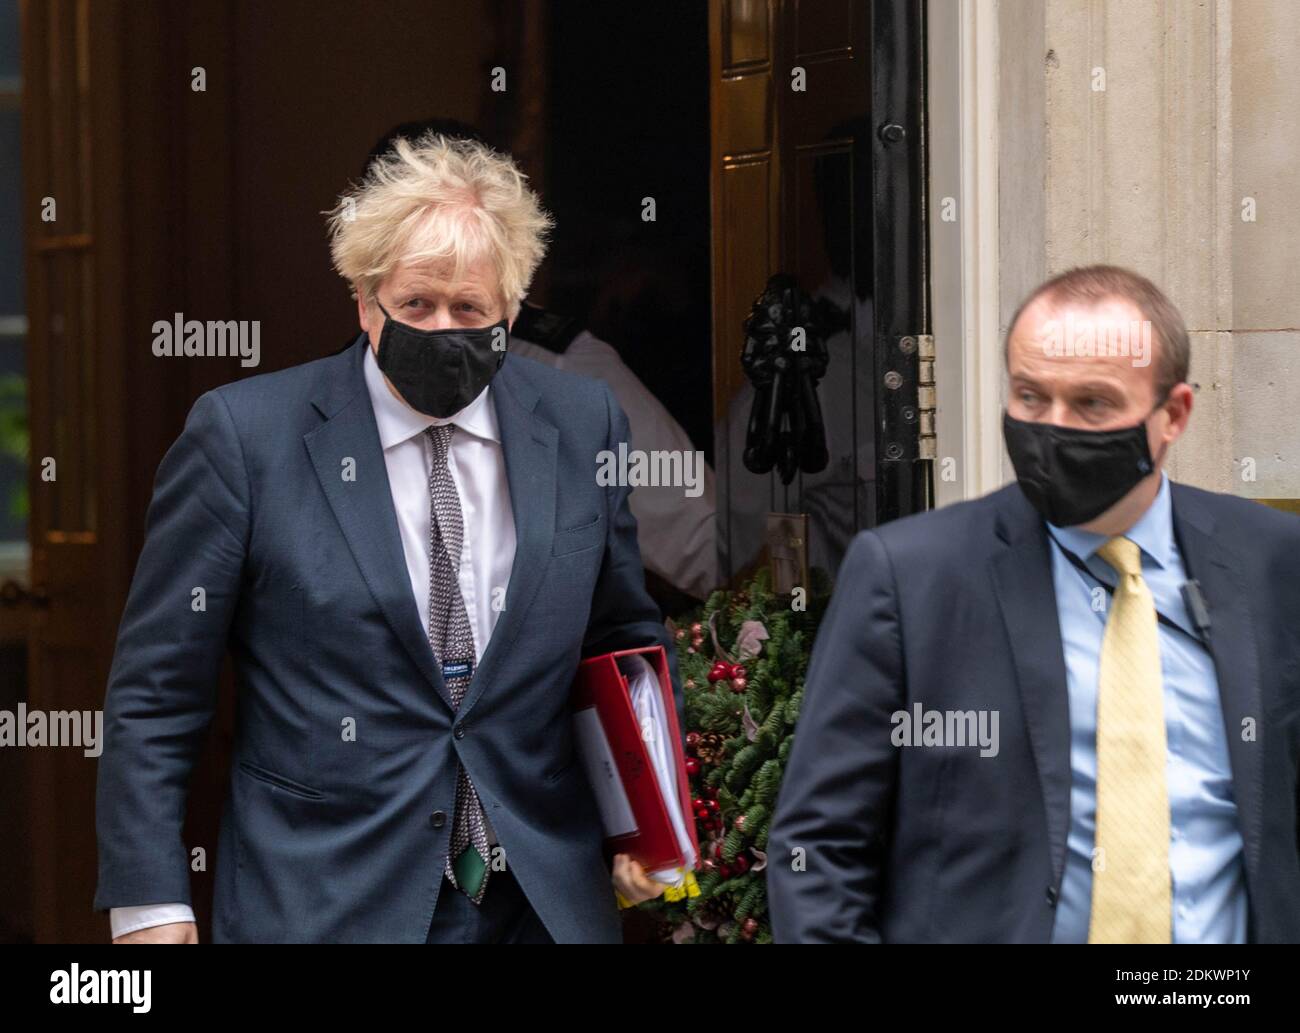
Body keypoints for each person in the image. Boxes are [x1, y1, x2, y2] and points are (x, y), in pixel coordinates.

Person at [94, 132, 680, 943]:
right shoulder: (244, 440)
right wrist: (150, 903)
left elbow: (618, 638)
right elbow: (156, 692)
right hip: (325, 901)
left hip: (537, 906)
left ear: (512, 310)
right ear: (365, 301)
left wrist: (648, 827)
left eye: (469, 309)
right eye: (416, 305)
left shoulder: (584, 427)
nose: (443, 328)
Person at [767, 264, 1300, 943]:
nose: (1053, 429)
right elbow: (818, 850)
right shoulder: (911, 577)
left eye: (1092, 404)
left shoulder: (1273, 562)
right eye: (1030, 396)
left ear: (1173, 415)